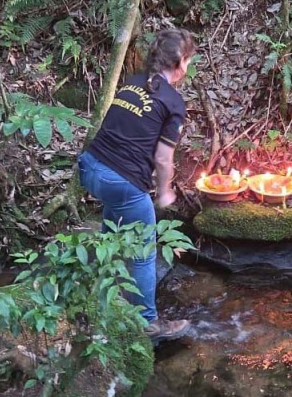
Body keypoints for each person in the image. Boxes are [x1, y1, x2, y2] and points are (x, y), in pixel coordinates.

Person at [78, 28, 196, 345]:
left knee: (113, 226)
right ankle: (147, 322)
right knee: (144, 254)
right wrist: (165, 191)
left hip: (89, 168)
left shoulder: (133, 82)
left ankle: (94, 294)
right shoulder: (173, 102)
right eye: (188, 60)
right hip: (121, 180)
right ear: (181, 63)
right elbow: (162, 155)